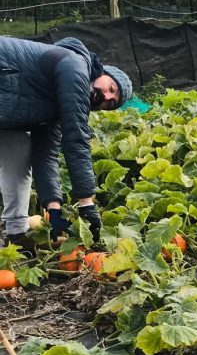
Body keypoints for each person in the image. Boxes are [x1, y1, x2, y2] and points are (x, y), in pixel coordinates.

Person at [0, 36, 133, 250]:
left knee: (19, 148)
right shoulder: (75, 64)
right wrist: (86, 203)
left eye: (111, 103)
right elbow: (77, 139)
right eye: (111, 88)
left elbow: (46, 155)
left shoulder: (55, 110)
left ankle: (16, 235)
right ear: (101, 73)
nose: (106, 96)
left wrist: (53, 210)